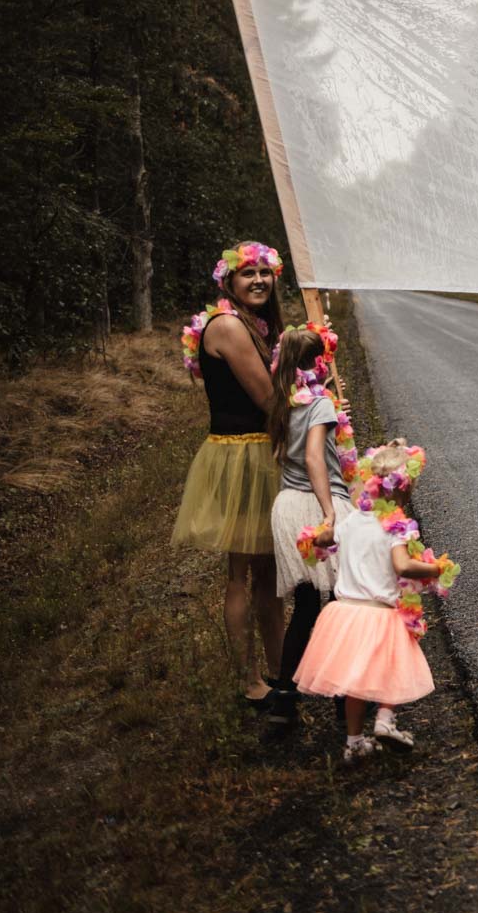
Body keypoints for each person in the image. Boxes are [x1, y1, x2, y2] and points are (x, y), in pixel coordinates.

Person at [173, 242, 286, 710]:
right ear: (229, 282)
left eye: (266, 272)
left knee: (271, 572)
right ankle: (250, 679)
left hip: (260, 453)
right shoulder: (227, 326)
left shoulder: (255, 325)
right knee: (240, 572)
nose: (259, 280)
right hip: (241, 455)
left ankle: (283, 670)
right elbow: (269, 401)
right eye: (248, 274)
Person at [294, 441, 448, 762]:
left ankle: (353, 743)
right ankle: (385, 721)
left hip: (345, 614)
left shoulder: (351, 521)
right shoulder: (398, 527)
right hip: (380, 613)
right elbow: (402, 565)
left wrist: (314, 536)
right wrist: (436, 568)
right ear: (404, 492)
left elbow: (326, 538)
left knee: (356, 681)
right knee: (390, 667)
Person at [264, 322, 356, 723]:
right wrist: (330, 512)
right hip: (315, 505)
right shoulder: (319, 404)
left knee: (304, 605)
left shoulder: (283, 399)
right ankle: (342, 695)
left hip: (286, 505)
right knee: (338, 601)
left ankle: (284, 696)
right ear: (319, 361)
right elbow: (314, 457)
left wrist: (334, 413)